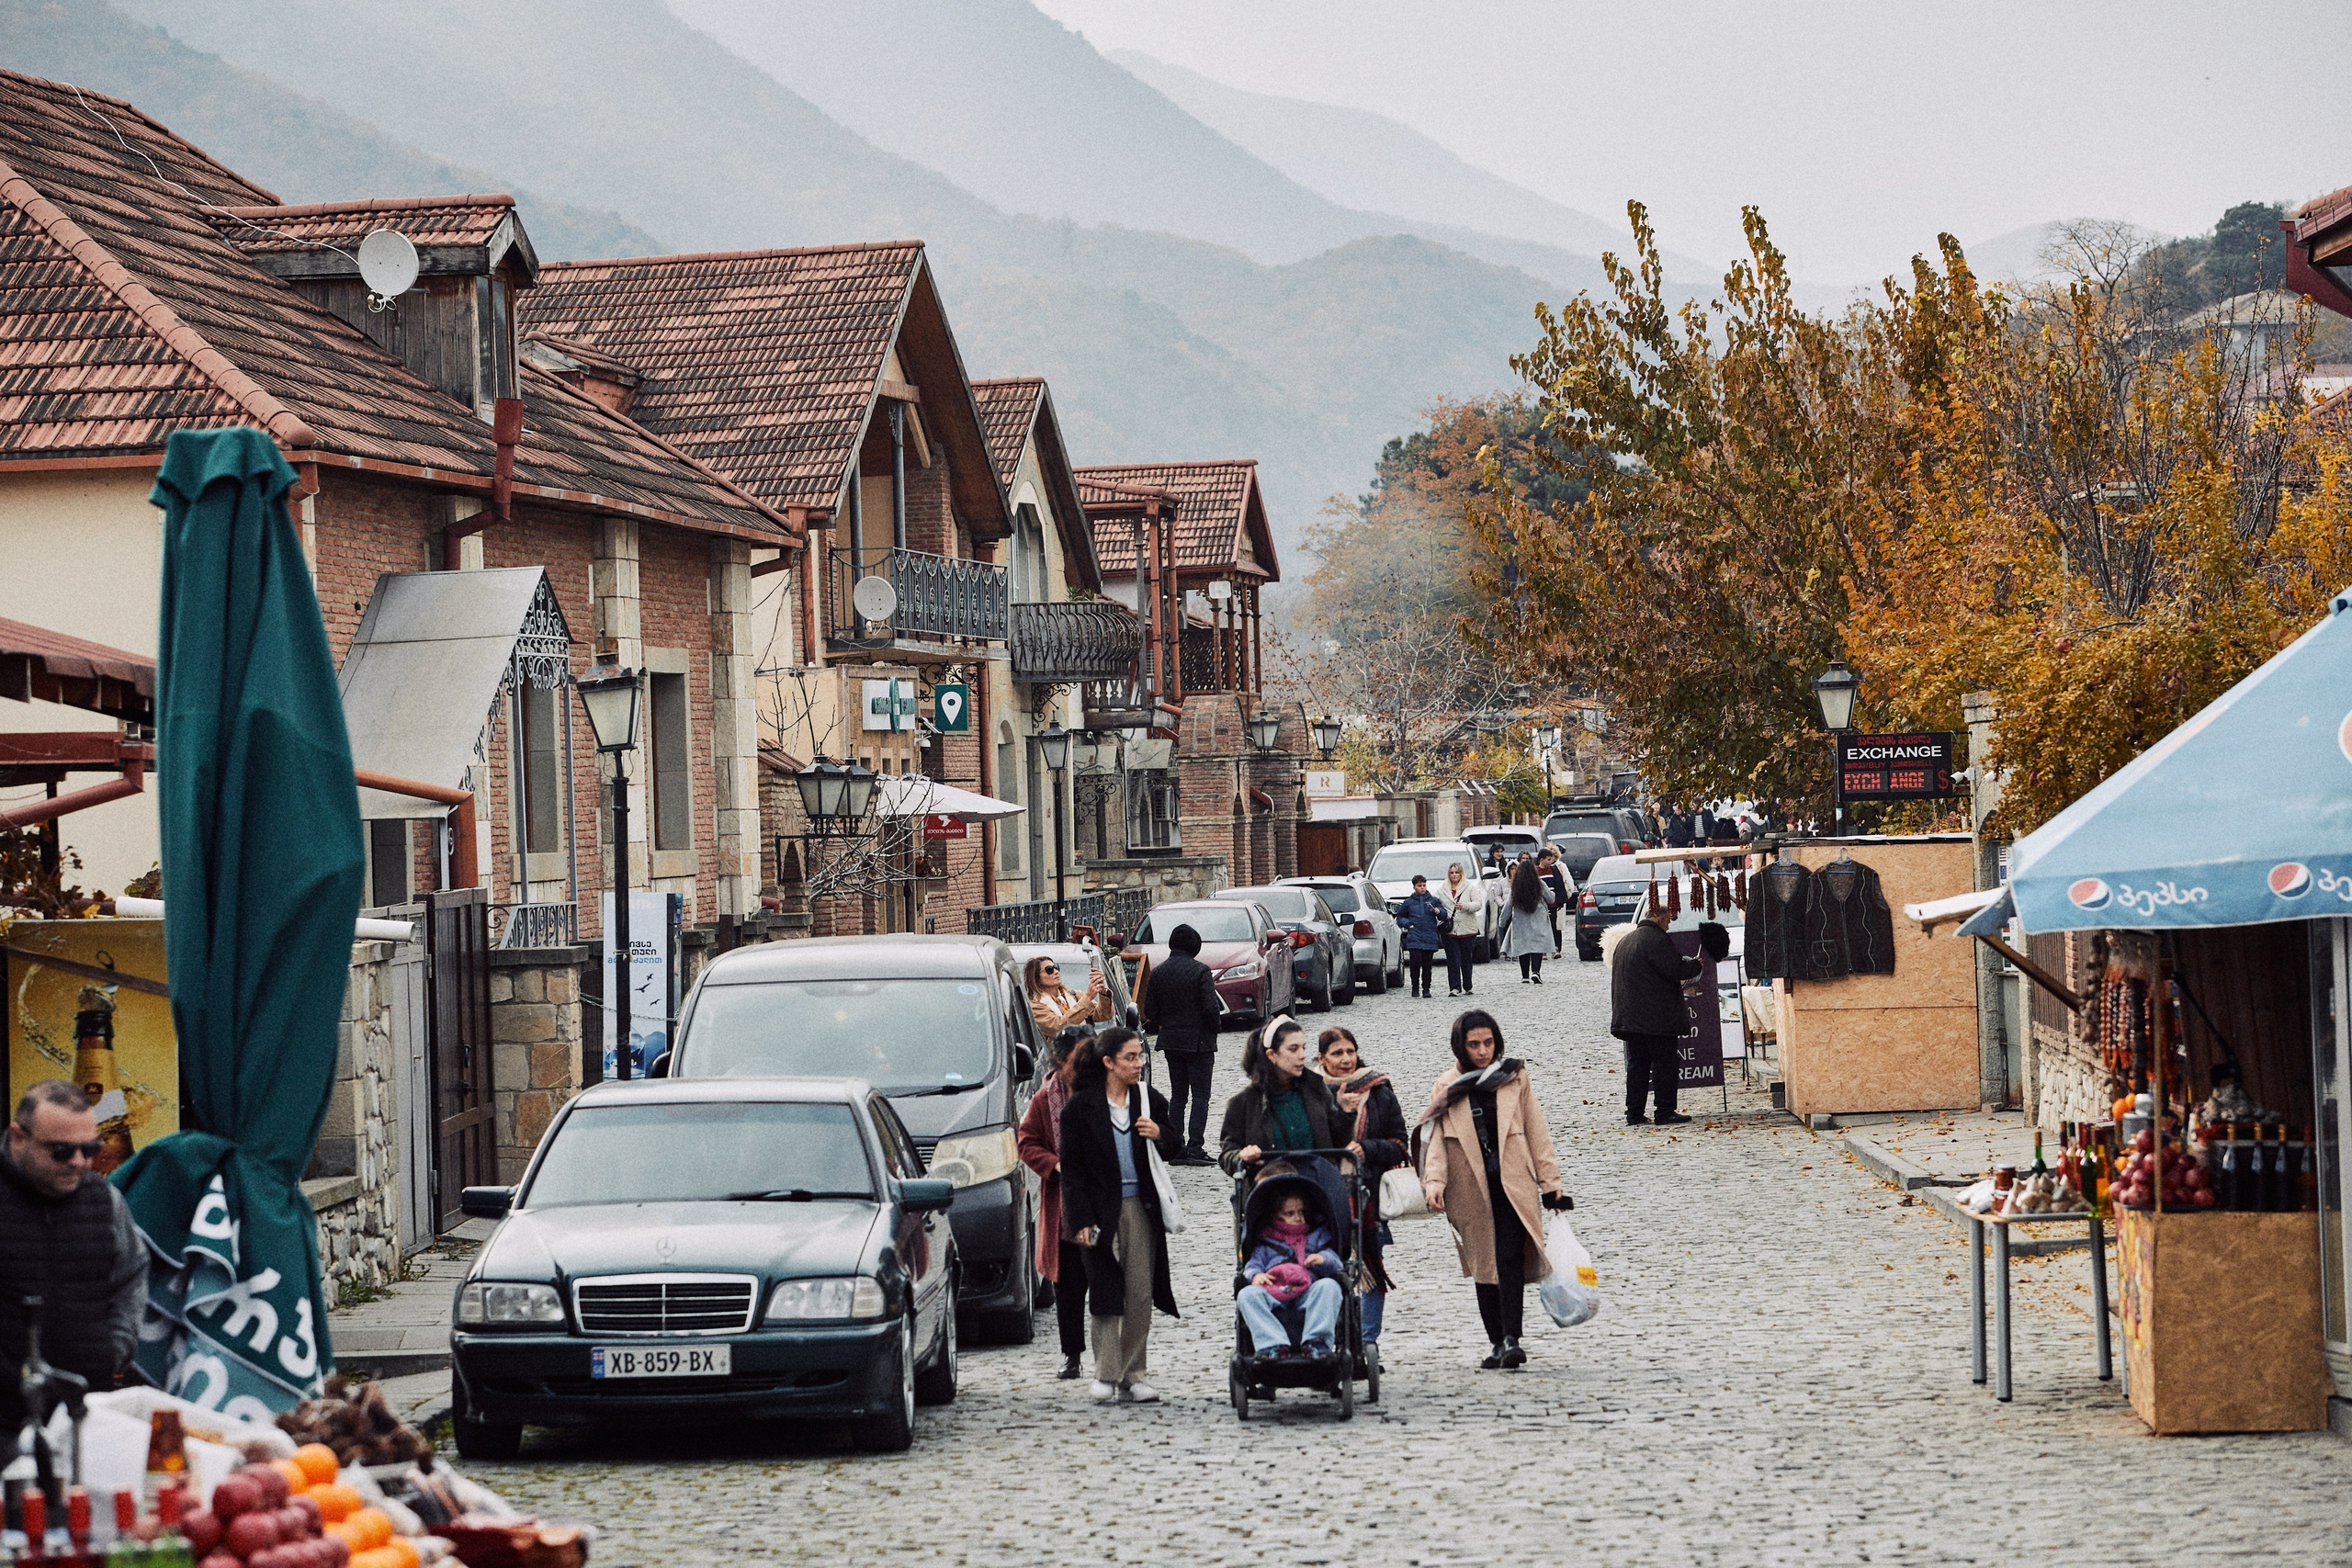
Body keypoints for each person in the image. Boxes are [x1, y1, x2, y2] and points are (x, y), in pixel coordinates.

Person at [1419, 1013, 1571, 1371]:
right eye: (1474, 1044)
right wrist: (1434, 1182)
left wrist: (1552, 1187)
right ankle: (1495, 1340)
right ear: (1461, 1045)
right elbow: (1436, 1139)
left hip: (1514, 1183)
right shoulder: (1447, 1085)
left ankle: (1512, 1339)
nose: (1483, 1051)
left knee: (1509, 1260)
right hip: (1469, 1186)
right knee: (1484, 1264)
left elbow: (1536, 1131)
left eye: (1488, 1043)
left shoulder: (1514, 1077)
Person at [1, 1081, 149, 1434]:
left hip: (83, 1411)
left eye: (90, 1149)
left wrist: (115, 1347)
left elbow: (132, 1275)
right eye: (62, 1151)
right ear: (19, 1137)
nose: (80, 1162)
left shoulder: (104, 1199)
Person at [1057, 1028, 1178, 1404]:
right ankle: (1106, 1373)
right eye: (1130, 1057)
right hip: (1099, 1211)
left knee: (1140, 1293)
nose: (1138, 1063)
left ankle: (1134, 1373)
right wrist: (1079, 1221)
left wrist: (1159, 1133)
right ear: (1109, 1062)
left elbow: (1174, 1145)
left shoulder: (1149, 1100)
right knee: (1106, 1292)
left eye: (1140, 1056)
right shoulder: (1080, 1108)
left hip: (1140, 1208)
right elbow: (1072, 1172)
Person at [1016, 1023, 1098, 1380]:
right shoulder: (1044, 1097)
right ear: (1061, 1061)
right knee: (1069, 1288)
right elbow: (1026, 1142)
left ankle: (1109, 1354)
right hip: (1065, 1211)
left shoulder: (1106, 1092)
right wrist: (1055, 1165)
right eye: (1078, 1059)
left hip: (1101, 1207)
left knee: (1105, 1282)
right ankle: (1072, 1355)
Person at [1316, 1026, 1405, 1353]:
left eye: (1350, 1051)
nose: (1345, 1059)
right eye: (1337, 1053)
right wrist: (1340, 1112)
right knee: (1326, 1269)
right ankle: (1333, 1340)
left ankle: (1368, 1343)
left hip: (1367, 1196)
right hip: (1323, 1196)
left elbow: (1399, 1143)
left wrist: (1368, 1148)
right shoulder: (1311, 1091)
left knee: (1370, 1268)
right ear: (1322, 1058)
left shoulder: (1378, 1088)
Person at [1610, 899, 1725, 1126]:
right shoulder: (1656, 939)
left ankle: (1634, 1113)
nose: (1669, 926)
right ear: (1661, 918)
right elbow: (1675, 968)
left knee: (1638, 1065)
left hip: (1630, 1017)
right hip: (1655, 1018)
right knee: (1665, 1064)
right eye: (1668, 921)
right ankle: (1664, 1112)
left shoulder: (1627, 940)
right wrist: (1696, 965)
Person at [1217, 1016, 1346, 1175]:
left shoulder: (1316, 1089)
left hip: (1317, 1187)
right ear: (1272, 1055)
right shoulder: (1243, 1102)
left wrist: (1347, 1113)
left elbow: (1340, 1141)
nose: (1302, 1055)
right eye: (1293, 1049)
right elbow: (1227, 1154)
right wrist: (1241, 1157)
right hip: (1268, 1191)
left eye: (1303, 1048)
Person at [1142, 922, 1222, 1165]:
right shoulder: (1201, 971)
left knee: (1178, 1095)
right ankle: (1195, 1147)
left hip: (1172, 1041)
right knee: (1200, 1096)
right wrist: (1214, 1028)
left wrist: (1164, 1022)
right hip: (1198, 1042)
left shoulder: (1158, 972)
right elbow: (1211, 1008)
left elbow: (1150, 1010)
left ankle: (1175, 1147)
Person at [1236, 1188, 1344, 1359]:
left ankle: (1316, 1340)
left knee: (1330, 1286)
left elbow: (1336, 1262)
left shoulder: (1317, 1235)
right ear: (1276, 1217)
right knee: (1247, 1295)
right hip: (1274, 1291)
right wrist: (1256, 1275)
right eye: (1290, 1213)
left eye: (1301, 1212)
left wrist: (1322, 1258)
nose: (1298, 1217)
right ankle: (1272, 1344)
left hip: (1308, 1291)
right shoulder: (1266, 1241)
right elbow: (1252, 1265)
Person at [1025, 953, 1112, 1038]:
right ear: (1036, 978)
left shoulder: (1074, 995)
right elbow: (1058, 1027)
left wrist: (1102, 992)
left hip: (1085, 1049)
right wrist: (1088, 998)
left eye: (1056, 967)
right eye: (1049, 970)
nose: (1056, 972)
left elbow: (1103, 1015)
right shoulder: (1035, 1006)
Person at [1501, 858, 1557, 984]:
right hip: (1538, 920)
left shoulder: (1515, 886)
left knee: (1523, 948)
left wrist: (1502, 921)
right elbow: (1550, 899)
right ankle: (1536, 972)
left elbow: (1508, 905)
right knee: (1537, 947)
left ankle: (1524, 975)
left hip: (1521, 922)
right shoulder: (1540, 884)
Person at [1396, 874, 1447, 998]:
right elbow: (1400, 916)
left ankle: (1426, 988)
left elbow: (1444, 915)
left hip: (1429, 936)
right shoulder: (1408, 902)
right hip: (1415, 936)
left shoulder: (1433, 900)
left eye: (1424, 885)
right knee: (1415, 963)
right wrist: (1408, 924)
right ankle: (1415, 987)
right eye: (1419, 886)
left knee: (1427, 965)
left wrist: (1438, 911)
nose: (1422, 888)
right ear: (1414, 887)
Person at [1440, 862, 1485, 998]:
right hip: (1450, 930)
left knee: (1466, 959)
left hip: (1467, 929)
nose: (1454, 875)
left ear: (1461, 874)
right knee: (1453, 960)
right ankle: (1454, 987)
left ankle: (1467, 985)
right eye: (1452, 872)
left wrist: (1465, 906)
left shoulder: (1469, 887)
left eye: (1457, 872)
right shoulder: (1443, 889)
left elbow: (1478, 904)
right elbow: (1436, 902)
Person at [1536, 848, 1572, 959]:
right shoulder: (1535, 871)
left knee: (1554, 926)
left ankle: (1556, 948)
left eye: (1551, 859)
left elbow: (1559, 885)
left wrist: (1560, 901)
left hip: (1552, 903)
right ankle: (1542, 950)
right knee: (1541, 927)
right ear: (1542, 860)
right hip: (1540, 905)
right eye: (1548, 859)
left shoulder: (1553, 870)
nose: (1551, 862)